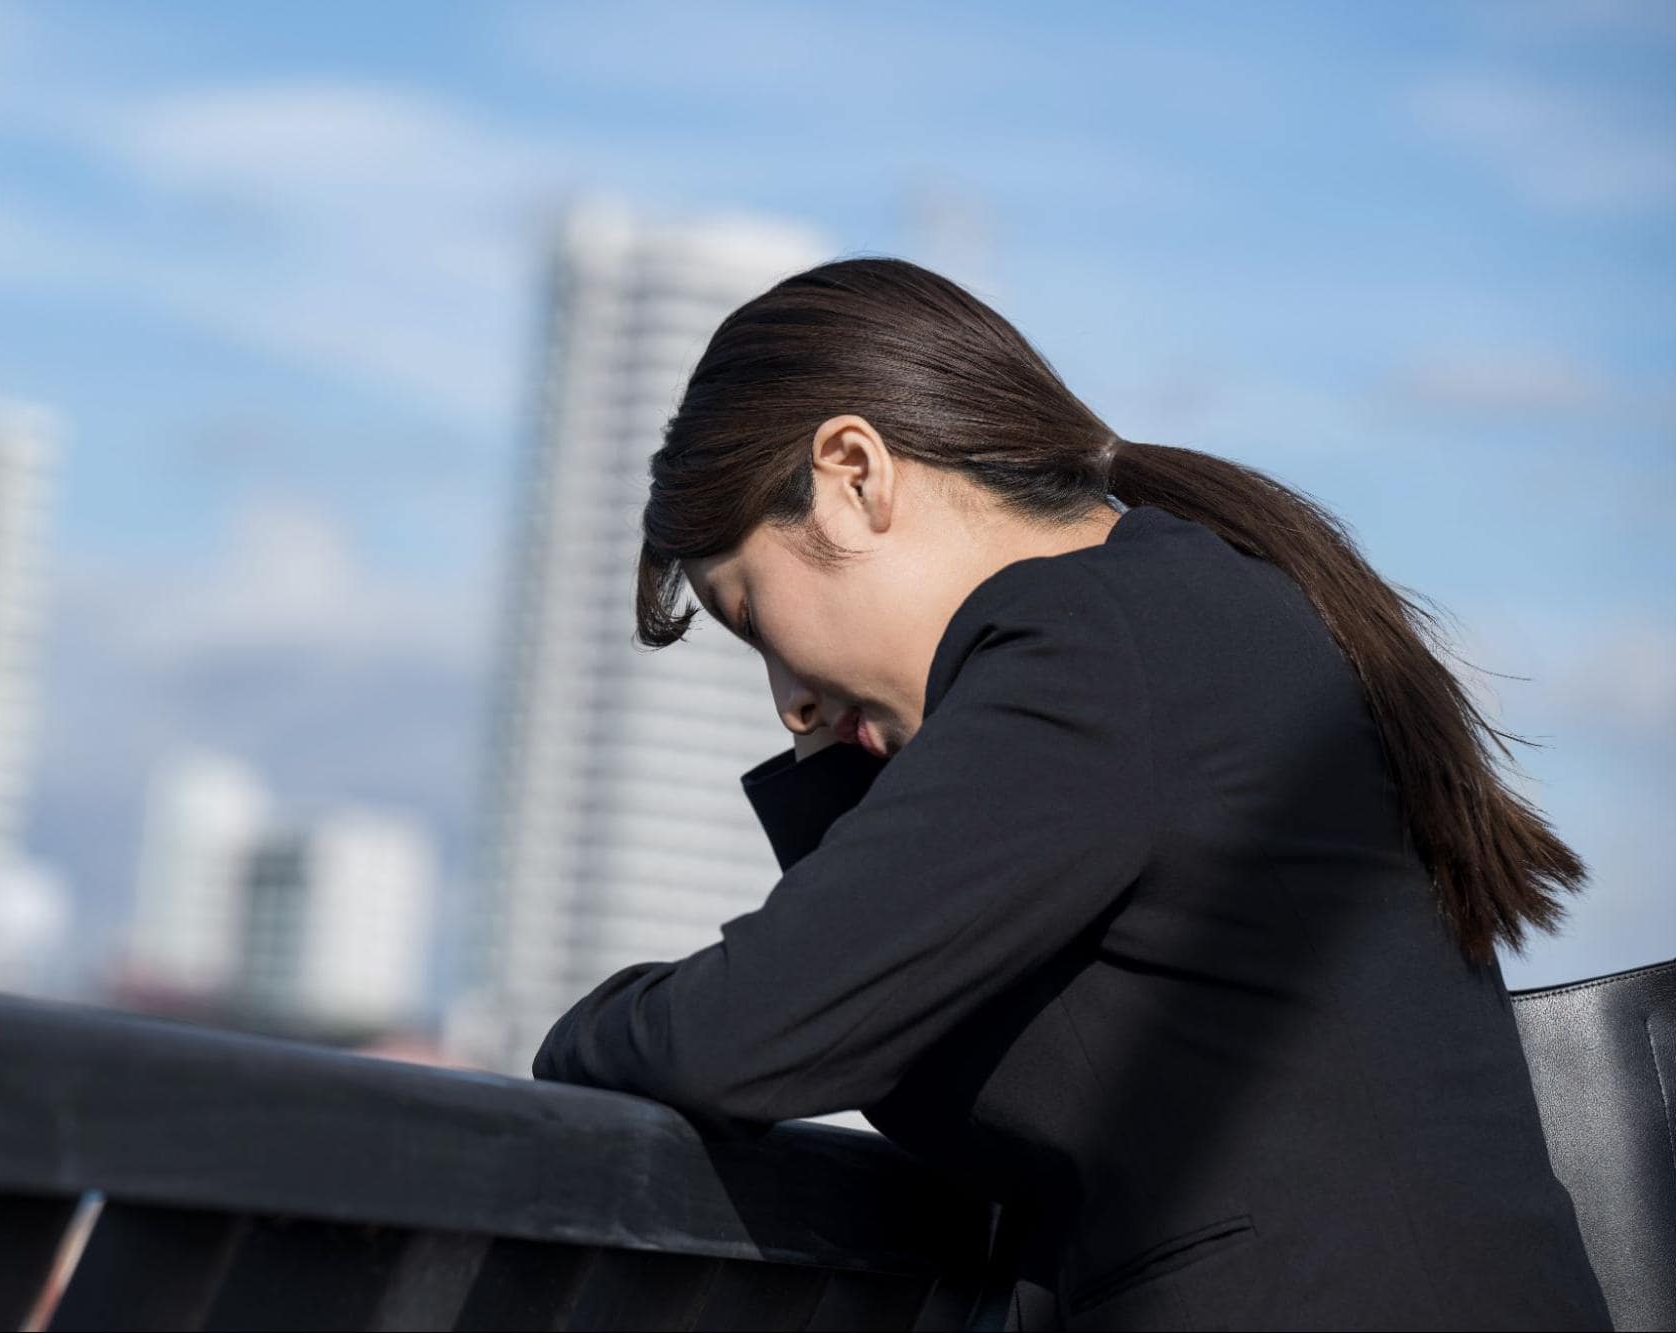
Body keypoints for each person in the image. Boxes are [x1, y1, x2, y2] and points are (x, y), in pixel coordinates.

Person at [529, 257, 1611, 1330]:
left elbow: (740, 1036)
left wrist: (580, 1033)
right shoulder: (1170, 613)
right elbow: (907, 1030)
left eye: (754, 618)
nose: (786, 705)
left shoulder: (1093, 642)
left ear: (854, 473)